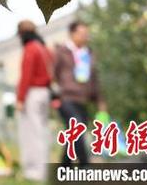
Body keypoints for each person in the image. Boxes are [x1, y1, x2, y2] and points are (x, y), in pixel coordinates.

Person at [55, 20, 106, 166]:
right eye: (82, 33)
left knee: (74, 133)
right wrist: (55, 94)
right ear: (72, 33)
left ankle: (64, 167)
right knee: (77, 128)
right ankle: (85, 164)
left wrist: (100, 102)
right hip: (67, 98)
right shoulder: (62, 51)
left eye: (87, 34)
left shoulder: (89, 53)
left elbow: (94, 79)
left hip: (83, 100)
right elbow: (53, 72)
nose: (85, 36)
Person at [15, 20, 52, 181]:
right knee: (41, 131)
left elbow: (26, 76)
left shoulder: (30, 49)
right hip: (45, 93)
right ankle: (41, 169)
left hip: (33, 93)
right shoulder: (44, 49)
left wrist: (20, 98)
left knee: (31, 133)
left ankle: (35, 171)